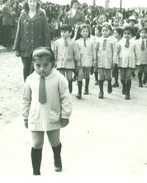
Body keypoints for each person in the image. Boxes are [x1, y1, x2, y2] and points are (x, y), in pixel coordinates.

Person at [20, 47, 72, 175]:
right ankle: (36, 172)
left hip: (53, 115)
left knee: (55, 142)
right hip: (36, 116)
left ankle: (57, 158)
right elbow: (25, 98)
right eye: (38, 65)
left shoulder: (59, 78)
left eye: (46, 65)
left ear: (53, 63)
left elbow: (65, 98)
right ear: (33, 64)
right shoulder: (30, 79)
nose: (42, 69)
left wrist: (65, 115)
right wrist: (25, 116)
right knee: (37, 144)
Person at [13, 0, 51, 81]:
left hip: (38, 47)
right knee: (26, 68)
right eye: (30, 1)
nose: (32, 3)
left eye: (34, 1)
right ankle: (27, 87)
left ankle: (36, 87)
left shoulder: (41, 15)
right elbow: (19, 32)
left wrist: (48, 48)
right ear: (27, 3)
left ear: (37, 3)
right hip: (25, 47)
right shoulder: (23, 15)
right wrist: (17, 48)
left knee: (36, 68)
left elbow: (46, 32)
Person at [54, 24, 80, 94]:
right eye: (61, 32)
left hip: (70, 62)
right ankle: (62, 90)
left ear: (70, 33)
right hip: (61, 61)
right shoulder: (57, 42)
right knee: (61, 77)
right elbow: (55, 52)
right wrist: (55, 61)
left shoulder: (73, 42)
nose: (63, 33)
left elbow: (76, 52)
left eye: (65, 32)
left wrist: (78, 61)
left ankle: (70, 86)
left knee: (69, 77)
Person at [94, 23, 116, 99]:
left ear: (110, 31)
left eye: (106, 30)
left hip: (109, 59)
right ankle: (101, 91)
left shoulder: (113, 41)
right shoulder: (98, 40)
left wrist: (114, 61)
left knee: (108, 74)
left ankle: (109, 83)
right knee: (101, 75)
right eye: (103, 30)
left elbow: (115, 52)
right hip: (100, 59)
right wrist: (95, 60)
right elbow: (95, 50)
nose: (104, 32)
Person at [116, 25, 136, 100]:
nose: (127, 35)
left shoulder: (134, 42)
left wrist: (136, 62)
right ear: (123, 34)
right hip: (122, 61)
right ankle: (124, 86)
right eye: (125, 33)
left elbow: (136, 52)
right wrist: (115, 61)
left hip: (130, 61)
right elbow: (117, 52)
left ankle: (128, 92)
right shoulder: (120, 42)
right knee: (122, 77)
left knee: (128, 77)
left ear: (132, 34)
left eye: (129, 33)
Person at [75, 24, 94, 98]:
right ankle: (79, 92)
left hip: (88, 59)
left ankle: (86, 87)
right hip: (80, 60)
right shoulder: (77, 42)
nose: (85, 33)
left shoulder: (91, 41)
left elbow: (93, 51)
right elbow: (76, 52)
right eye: (83, 31)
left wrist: (94, 60)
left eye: (87, 31)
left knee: (87, 74)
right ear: (80, 32)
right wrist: (77, 61)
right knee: (80, 75)